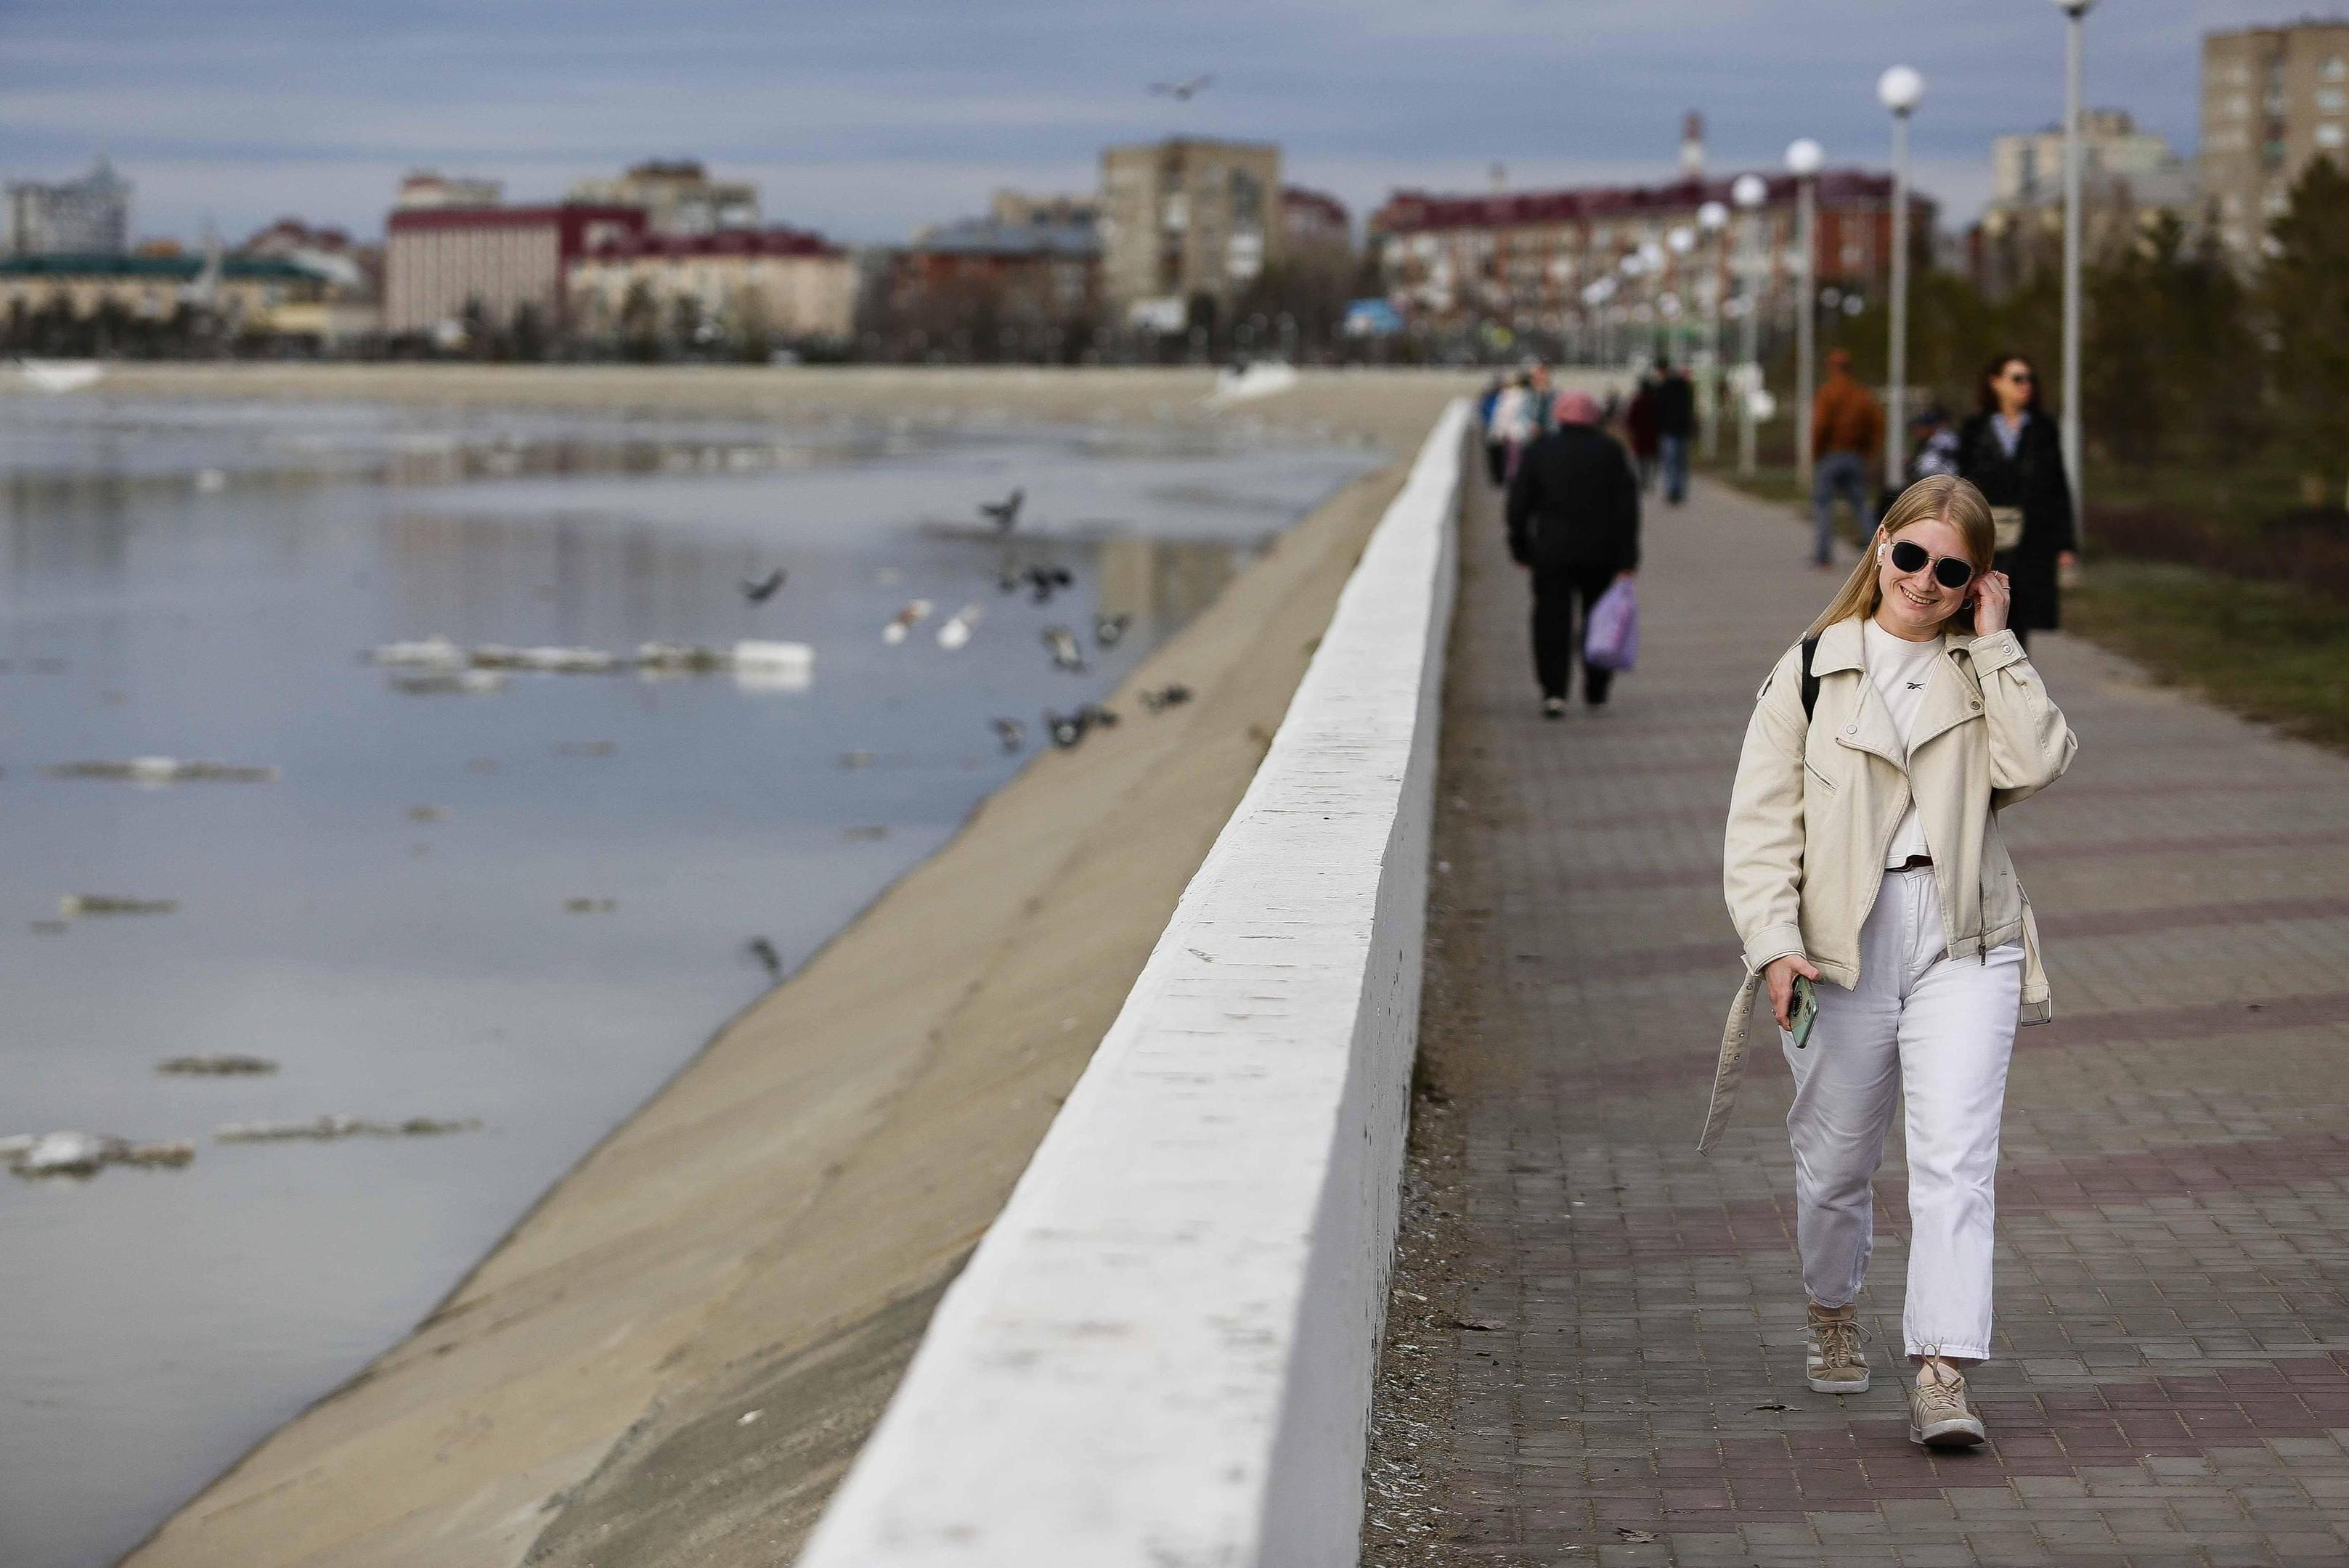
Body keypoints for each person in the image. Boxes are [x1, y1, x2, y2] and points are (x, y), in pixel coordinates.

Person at [1709, 474, 2075, 1450]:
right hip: (1838, 946)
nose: (1921, 579)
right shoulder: (1806, 670)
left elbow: (2039, 759)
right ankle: (1831, 1305)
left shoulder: (1979, 667)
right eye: (1908, 555)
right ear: (1879, 549)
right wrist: (1774, 945)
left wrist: (2000, 640)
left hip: (1964, 933)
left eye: (1949, 569)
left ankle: (1941, 1371)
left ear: (1973, 583)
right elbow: (1755, 835)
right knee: (1833, 1163)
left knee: (1954, 1158)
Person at [1505, 390, 1640, 719]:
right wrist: (1627, 559)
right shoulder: (1611, 452)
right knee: (1600, 621)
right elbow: (1627, 510)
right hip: (1602, 555)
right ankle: (1595, 692)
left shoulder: (1540, 450)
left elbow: (1518, 505)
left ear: (1559, 416)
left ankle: (1554, 693)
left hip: (1551, 553)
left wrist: (1521, 548)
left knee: (1551, 622)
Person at [1957, 354, 2077, 649]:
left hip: (2032, 537)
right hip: (1986, 533)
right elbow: (1963, 484)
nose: (2026, 386)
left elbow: (2057, 485)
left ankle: (2012, 680)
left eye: (2030, 379)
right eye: (2017, 379)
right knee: (1976, 605)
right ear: (1996, 383)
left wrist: (2065, 543)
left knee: (2020, 613)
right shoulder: (1975, 428)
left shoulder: (2043, 429)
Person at [1810, 348, 1884, 569]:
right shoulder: (1861, 394)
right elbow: (1878, 425)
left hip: (1832, 455)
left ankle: (1824, 556)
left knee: (1823, 505)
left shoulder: (1828, 392)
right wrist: (1867, 452)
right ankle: (1877, 555)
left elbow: (1820, 426)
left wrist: (1816, 453)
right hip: (1854, 456)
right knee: (1861, 505)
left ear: (1831, 367)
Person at [1654, 360, 1697, 505]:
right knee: (1680, 462)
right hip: (1682, 430)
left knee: (1670, 462)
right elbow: (1690, 410)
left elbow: (1659, 411)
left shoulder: (1663, 388)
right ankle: (1679, 490)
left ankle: (1672, 491)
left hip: (1668, 430)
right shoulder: (1684, 387)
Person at [1625, 368, 1662, 492]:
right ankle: (1651, 482)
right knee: (1653, 459)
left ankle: (1643, 481)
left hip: (1640, 435)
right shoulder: (1656, 401)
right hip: (1654, 434)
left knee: (1641, 461)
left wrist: (1630, 431)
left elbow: (1631, 419)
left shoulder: (1637, 401)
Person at [1907, 404, 1960, 482]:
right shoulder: (1927, 442)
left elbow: (1928, 469)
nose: (1916, 432)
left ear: (1928, 427)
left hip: (1944, 482)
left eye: (1919, 428)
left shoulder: (1942, 441)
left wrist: (1912, 466)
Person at [1478, 374, 1508, 486]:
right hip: (1491, 428)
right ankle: (1497, 478)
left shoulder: (1504, 395)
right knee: (1494, 453)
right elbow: (1484, 411)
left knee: (1501, 454)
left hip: (1500, 428)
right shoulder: (1489, 396)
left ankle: (1500, 477)